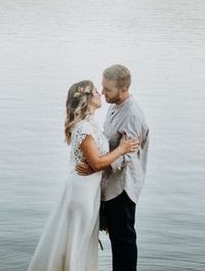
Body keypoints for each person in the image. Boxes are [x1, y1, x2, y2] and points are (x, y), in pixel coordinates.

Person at [28, 80, 140, 271]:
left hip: (89, 192)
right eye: (96, 91)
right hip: (81, 194)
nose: (100, 93)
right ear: (87, 98)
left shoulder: (91, 124)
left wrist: (100, 163)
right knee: (77, 243)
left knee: (81, 243)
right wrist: (122, 149)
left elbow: (97, 162)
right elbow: (96, 162)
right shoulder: (83, 128)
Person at [76, 64, 149, 271]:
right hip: (111, 183)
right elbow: (112, 144)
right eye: (103, 87)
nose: (103, 92)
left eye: (108, 89)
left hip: (123, 186)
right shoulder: (113, 105)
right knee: (116, 237)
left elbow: (127, 156)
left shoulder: (132, 114)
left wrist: (95, 166)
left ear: (123, 90)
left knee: (123, 239)